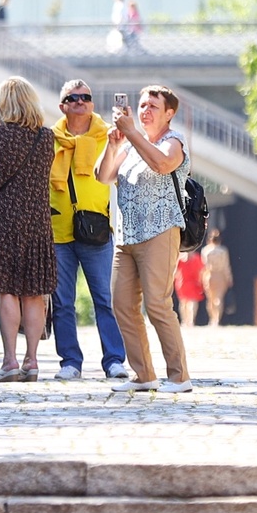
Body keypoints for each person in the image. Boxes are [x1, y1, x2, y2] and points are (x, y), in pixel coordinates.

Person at [96, 84, 193, 393]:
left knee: (157, 304)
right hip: (126, 238)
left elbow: (162, 164)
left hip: (160, 233)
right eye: (141, 106)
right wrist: (114, 143)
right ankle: (144, 375)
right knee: (122, 304)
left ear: (169, 113)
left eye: (153, 106)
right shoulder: (130, 145)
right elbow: (102, 175)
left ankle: (179, 377)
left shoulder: (172, 142)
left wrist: (132, 134)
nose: (145, 111)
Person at [0, 75, 56, 382]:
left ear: (6, 104)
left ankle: (9, 361)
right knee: (33, 292)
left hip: (5, 220)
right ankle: (32, 361)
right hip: (37, 220)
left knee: (8, 291)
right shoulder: (46, 137)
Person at [47, 79, 127, 381]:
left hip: (96, 230)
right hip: (58, 230)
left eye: (86, 97)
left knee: (105, 299)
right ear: (62, 106)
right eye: (73, 97)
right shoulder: (50, 139)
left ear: (92, 104)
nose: (80, 101)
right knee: (62, 303)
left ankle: (115, 360)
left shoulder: (110, 136)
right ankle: (70, 361)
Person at [200, 228, 233, 327]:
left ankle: (212, 318)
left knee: (210, 298)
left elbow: (204, 266)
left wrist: (202, 277)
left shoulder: (205, 251)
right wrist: (229, 278)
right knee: (219, 298)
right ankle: (217, 319)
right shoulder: (223, 251)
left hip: (209, 275)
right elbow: (226, 266)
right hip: (220, 275)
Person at [173, 250, 205, 327]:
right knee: (192, 302)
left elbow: (175, 271)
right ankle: (191, 321)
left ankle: (184, 321)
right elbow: (202, 271)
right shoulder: (197, 258)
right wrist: (202, 282)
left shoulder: (180, 258)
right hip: (194, 282)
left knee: (183, 302)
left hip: (182, 283)